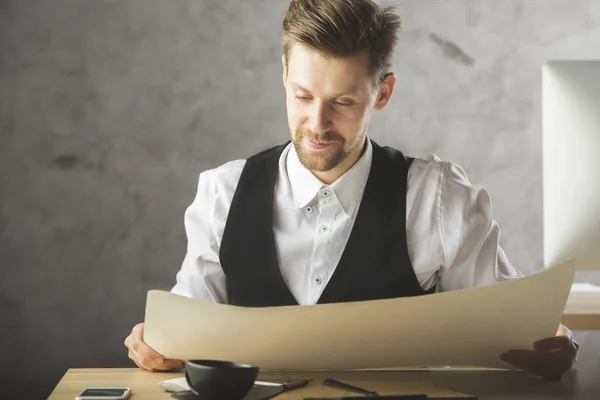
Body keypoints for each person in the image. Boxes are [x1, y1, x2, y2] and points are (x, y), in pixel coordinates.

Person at [124, 0, 578, 380]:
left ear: (382, 93)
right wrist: (155, 344)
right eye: (303, 96)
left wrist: (555, 343)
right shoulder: (221, 194)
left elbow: (517, 322)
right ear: (284, 73)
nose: (317, 125)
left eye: (342, 102)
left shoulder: (438, 199)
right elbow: (184, 334)